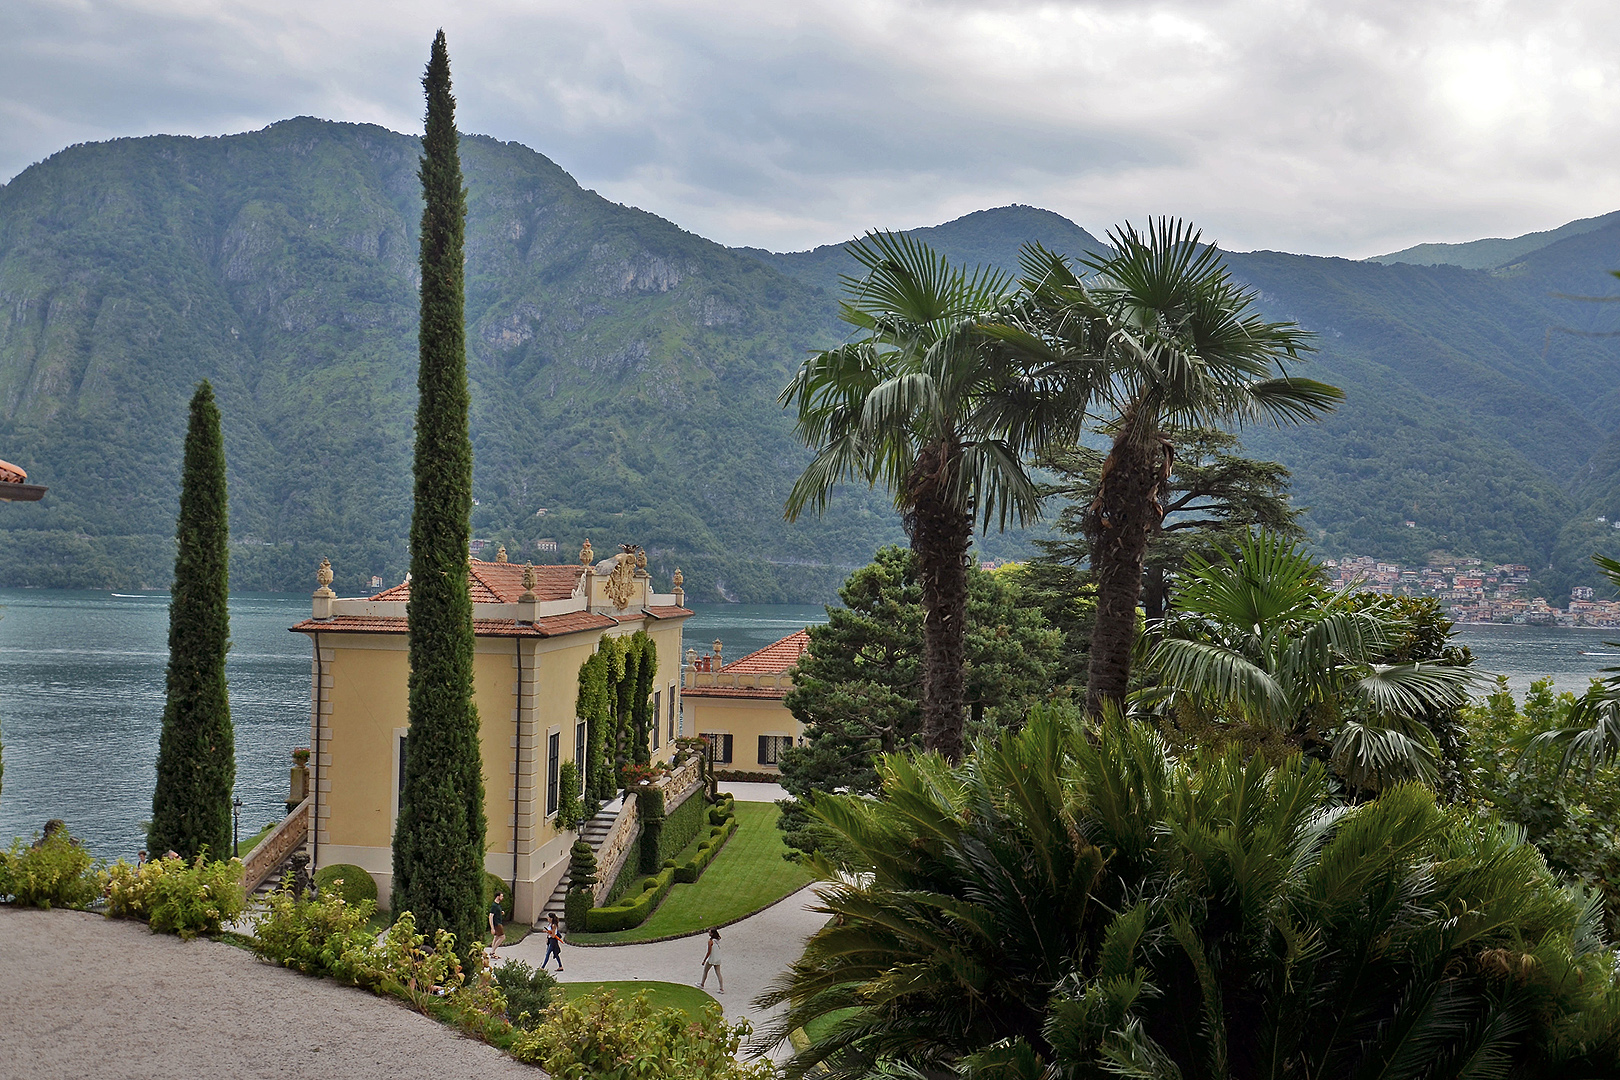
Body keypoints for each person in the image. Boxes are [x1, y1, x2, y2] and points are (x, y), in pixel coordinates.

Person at [699, 928, 723, 993]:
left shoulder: (710, 941)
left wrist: (704, 960)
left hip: (712, 959)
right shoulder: (717, 940)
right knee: (718, 973)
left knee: (705, 971)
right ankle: (721, 988)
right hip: (717, 958)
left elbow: (709, 952)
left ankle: (702, 984)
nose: (708, 933)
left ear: (712, 934)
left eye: (709, 932)